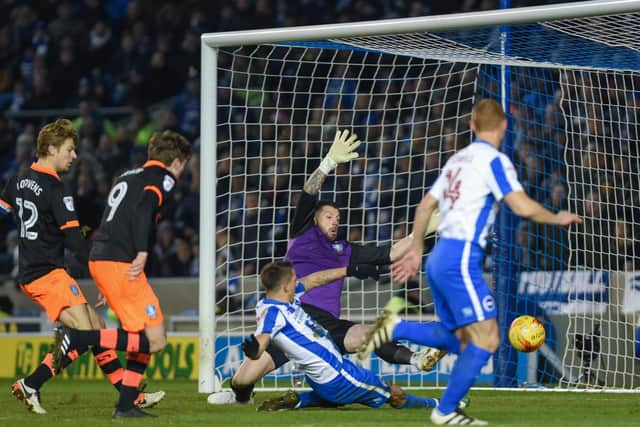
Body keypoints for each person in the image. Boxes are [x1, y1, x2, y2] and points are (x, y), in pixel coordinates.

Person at [358, 99, 582, 425]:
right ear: (504, 126)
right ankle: (444, 410)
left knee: (460, 338)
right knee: (488, 338)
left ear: (471, 125)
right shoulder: (494, 160)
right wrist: (556, 216)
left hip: (439, 258)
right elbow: (519, 206)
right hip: (460, 259)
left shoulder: (456, 161)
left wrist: (417, 249)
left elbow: (423, 208)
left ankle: (397, 328)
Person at [208, 129, 441, 405]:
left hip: (327, 326)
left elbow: (391, 252)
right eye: (329, 216)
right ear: (315, 219)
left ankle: (417, 359)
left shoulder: (346, 251)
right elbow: (308, 192)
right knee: (243, 380)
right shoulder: (302, 235)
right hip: (294, 321)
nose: (335, 221)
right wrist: (329, 162)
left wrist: (420, 231)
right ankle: (239, 396)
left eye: (338, 218)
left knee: (371, 334)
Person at [0, 119, 164, 414]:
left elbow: (3, 211)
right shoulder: (57, 190)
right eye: (69, 150)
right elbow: (76, 240)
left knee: (98, 328)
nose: (74, 156)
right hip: (47, 274)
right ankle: (31, 384)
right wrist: (103, 280)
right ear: (50, 149)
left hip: (33, 271)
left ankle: (131, 398)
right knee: (87, 334)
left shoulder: (16, 180)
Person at [51, 130, 192, 418]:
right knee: (156, 340)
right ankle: (82, 339)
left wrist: (106, 276)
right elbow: (143, 211)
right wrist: (141, 251)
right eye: (184, 164)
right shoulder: (163, 178)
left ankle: (126, 406)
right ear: (177, 162)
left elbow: (111, 219)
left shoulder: (127, 176)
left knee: (137, 337)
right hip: (121, 262)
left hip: (104, 258)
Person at [242, 261, 467, 412]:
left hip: (323, 378)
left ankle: (299, 400)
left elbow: (316, 279)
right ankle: (441, 405)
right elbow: (262, 339)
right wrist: (254, 350)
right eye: (293, 279)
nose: (297, 280)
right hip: (338, 376)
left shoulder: (284, 298)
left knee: (339, 397)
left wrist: (349, 270)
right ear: (284, 286)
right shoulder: (273, 313)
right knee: (394, 395)